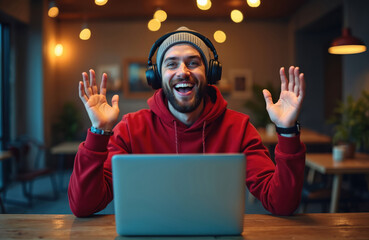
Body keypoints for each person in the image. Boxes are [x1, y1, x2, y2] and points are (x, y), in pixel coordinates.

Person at [68, 27, 306, 217]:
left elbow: (281, 204)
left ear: (210, 74)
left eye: (193, 63)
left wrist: (287, 132)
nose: (183, 71)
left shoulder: (239, 128)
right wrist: (98, 133)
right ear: (158, 77)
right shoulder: (130, 129)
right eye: (171, 64)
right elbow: (83, 206)